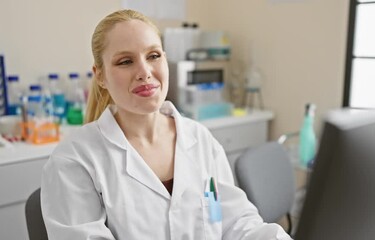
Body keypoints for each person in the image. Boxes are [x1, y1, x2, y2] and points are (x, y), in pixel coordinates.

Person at [41, 9, 293, 240]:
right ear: (101, 76)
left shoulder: (200, 140)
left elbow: (230, 221)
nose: (144, 71)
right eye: (125, 61)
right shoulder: (74, 160)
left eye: (153, 55)